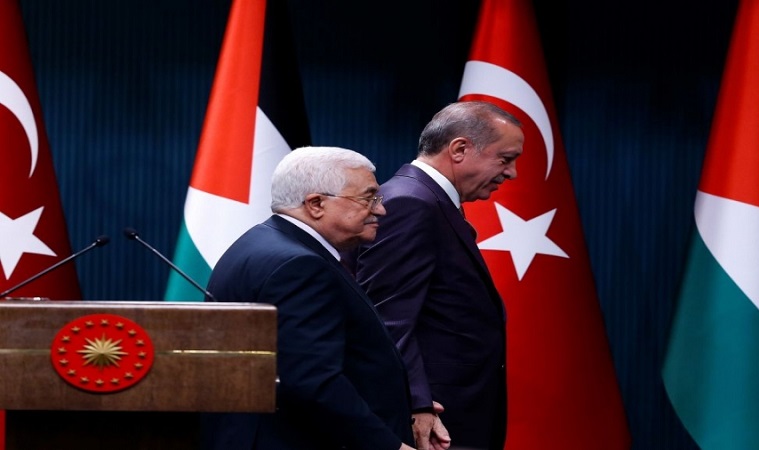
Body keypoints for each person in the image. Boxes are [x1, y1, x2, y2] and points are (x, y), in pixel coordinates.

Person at [202, 146, 416, 450]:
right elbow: (313, 381)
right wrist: (388, 445)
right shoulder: (300, 265)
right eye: (368, 198)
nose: (380, 210)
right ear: (316, 204)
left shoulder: (261, 241)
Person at [350, 101, 524, 450]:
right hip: (434, 420)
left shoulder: (429, 200)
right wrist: (417, 404)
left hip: (456, 412)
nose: (512, 173)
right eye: (505, 159)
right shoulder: (411, 203)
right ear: (459, 149)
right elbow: (388, 319)